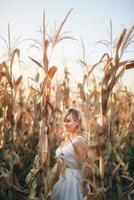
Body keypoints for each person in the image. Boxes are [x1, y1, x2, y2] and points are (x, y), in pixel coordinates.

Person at [51, 108, 99, 200]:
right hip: (63, 178)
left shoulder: (79, 141)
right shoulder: (67, 140)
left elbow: (87, 164)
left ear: (78, 122)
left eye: (68, 121)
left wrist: (84, 185)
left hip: (74, 182)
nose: (65, 123)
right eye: (64, 121)